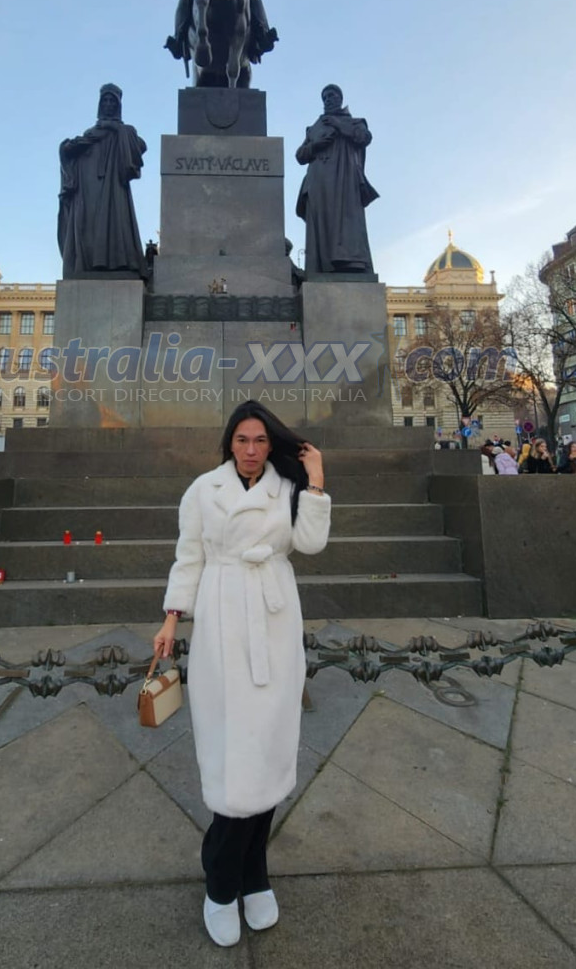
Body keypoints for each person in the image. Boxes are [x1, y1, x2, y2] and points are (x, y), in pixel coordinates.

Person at [153, 401, 330, 947]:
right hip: (224, 617)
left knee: (269, 746)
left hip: (274, 618)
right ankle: (222, 883)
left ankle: (254, 875)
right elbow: (189, 558)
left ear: (270, 444)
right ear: (229, 443)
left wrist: (316, 479)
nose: (251, 450)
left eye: (259, 440)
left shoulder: (289, 487)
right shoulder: (202, 491)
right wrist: (171, 618)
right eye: (242, 440)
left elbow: (310, 544)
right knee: (233, 750)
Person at [57, 84, 148, 278]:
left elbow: (140, 146)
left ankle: (117, 264)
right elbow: (72, 152)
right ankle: (88, 264)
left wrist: (116, 129)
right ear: (100, 104)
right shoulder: (91, 132)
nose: (108, 104)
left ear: (118, 105)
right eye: (105, 100)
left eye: (112, 101)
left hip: (113, 185)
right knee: (88, 223)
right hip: (88, 186)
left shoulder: (123, 131)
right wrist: (67, 148)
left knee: (115, 222)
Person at [295, 85, 379, 274]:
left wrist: (339, 125)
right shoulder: (313, 128)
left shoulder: (355, 122)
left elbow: (364, 138)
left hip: (344, 180)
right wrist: (316, 145)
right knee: (321, 222)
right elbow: (300, 155)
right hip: (318, 181)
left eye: (332, 95)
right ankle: (321, 267)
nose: (328, 99)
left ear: (340, 98)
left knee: (346, 222)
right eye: (324, 97)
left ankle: (350, 264)